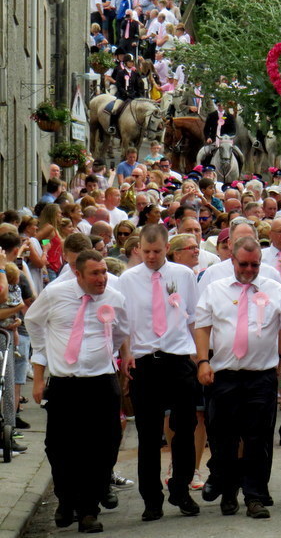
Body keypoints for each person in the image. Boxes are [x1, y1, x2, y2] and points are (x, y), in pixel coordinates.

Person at [194, 236, 281, 519]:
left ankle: (254, 496)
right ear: (232, 260)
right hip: (224, 375)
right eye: (243, 264)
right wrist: (203, 361)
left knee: (257, 440)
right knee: (223, 438)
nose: (249, 270)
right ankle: (227, 491)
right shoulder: (214, 289)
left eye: (254, 265)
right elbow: (202, 326)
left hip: (261, 376)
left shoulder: (274, 289)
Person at [26, 250, 129, 533]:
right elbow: (33, 322)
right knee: (60, 447)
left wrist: (111, 357)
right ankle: (66, 499)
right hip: (65, 384)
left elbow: (122, 333)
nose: (102, 278)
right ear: (78, 274)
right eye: (95, 273)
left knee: (103, 447)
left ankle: (88, 510)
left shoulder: (114, 299)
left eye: (104, 271)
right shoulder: (55, 295)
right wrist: (41, 364)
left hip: (101, 382)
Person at [118, 224, 200, 521]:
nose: (151, 257)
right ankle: (151, 499)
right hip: (145, 362)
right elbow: (123, 322)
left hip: (177, 358)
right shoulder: (127, 280)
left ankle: (181, 488)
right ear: (138, 248)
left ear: (167, 248)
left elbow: (192, 316)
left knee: (185, 427)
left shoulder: (183, 275)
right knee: (149, 435)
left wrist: (199, 358)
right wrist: (126, 354)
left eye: (157, 251)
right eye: (146, 251)